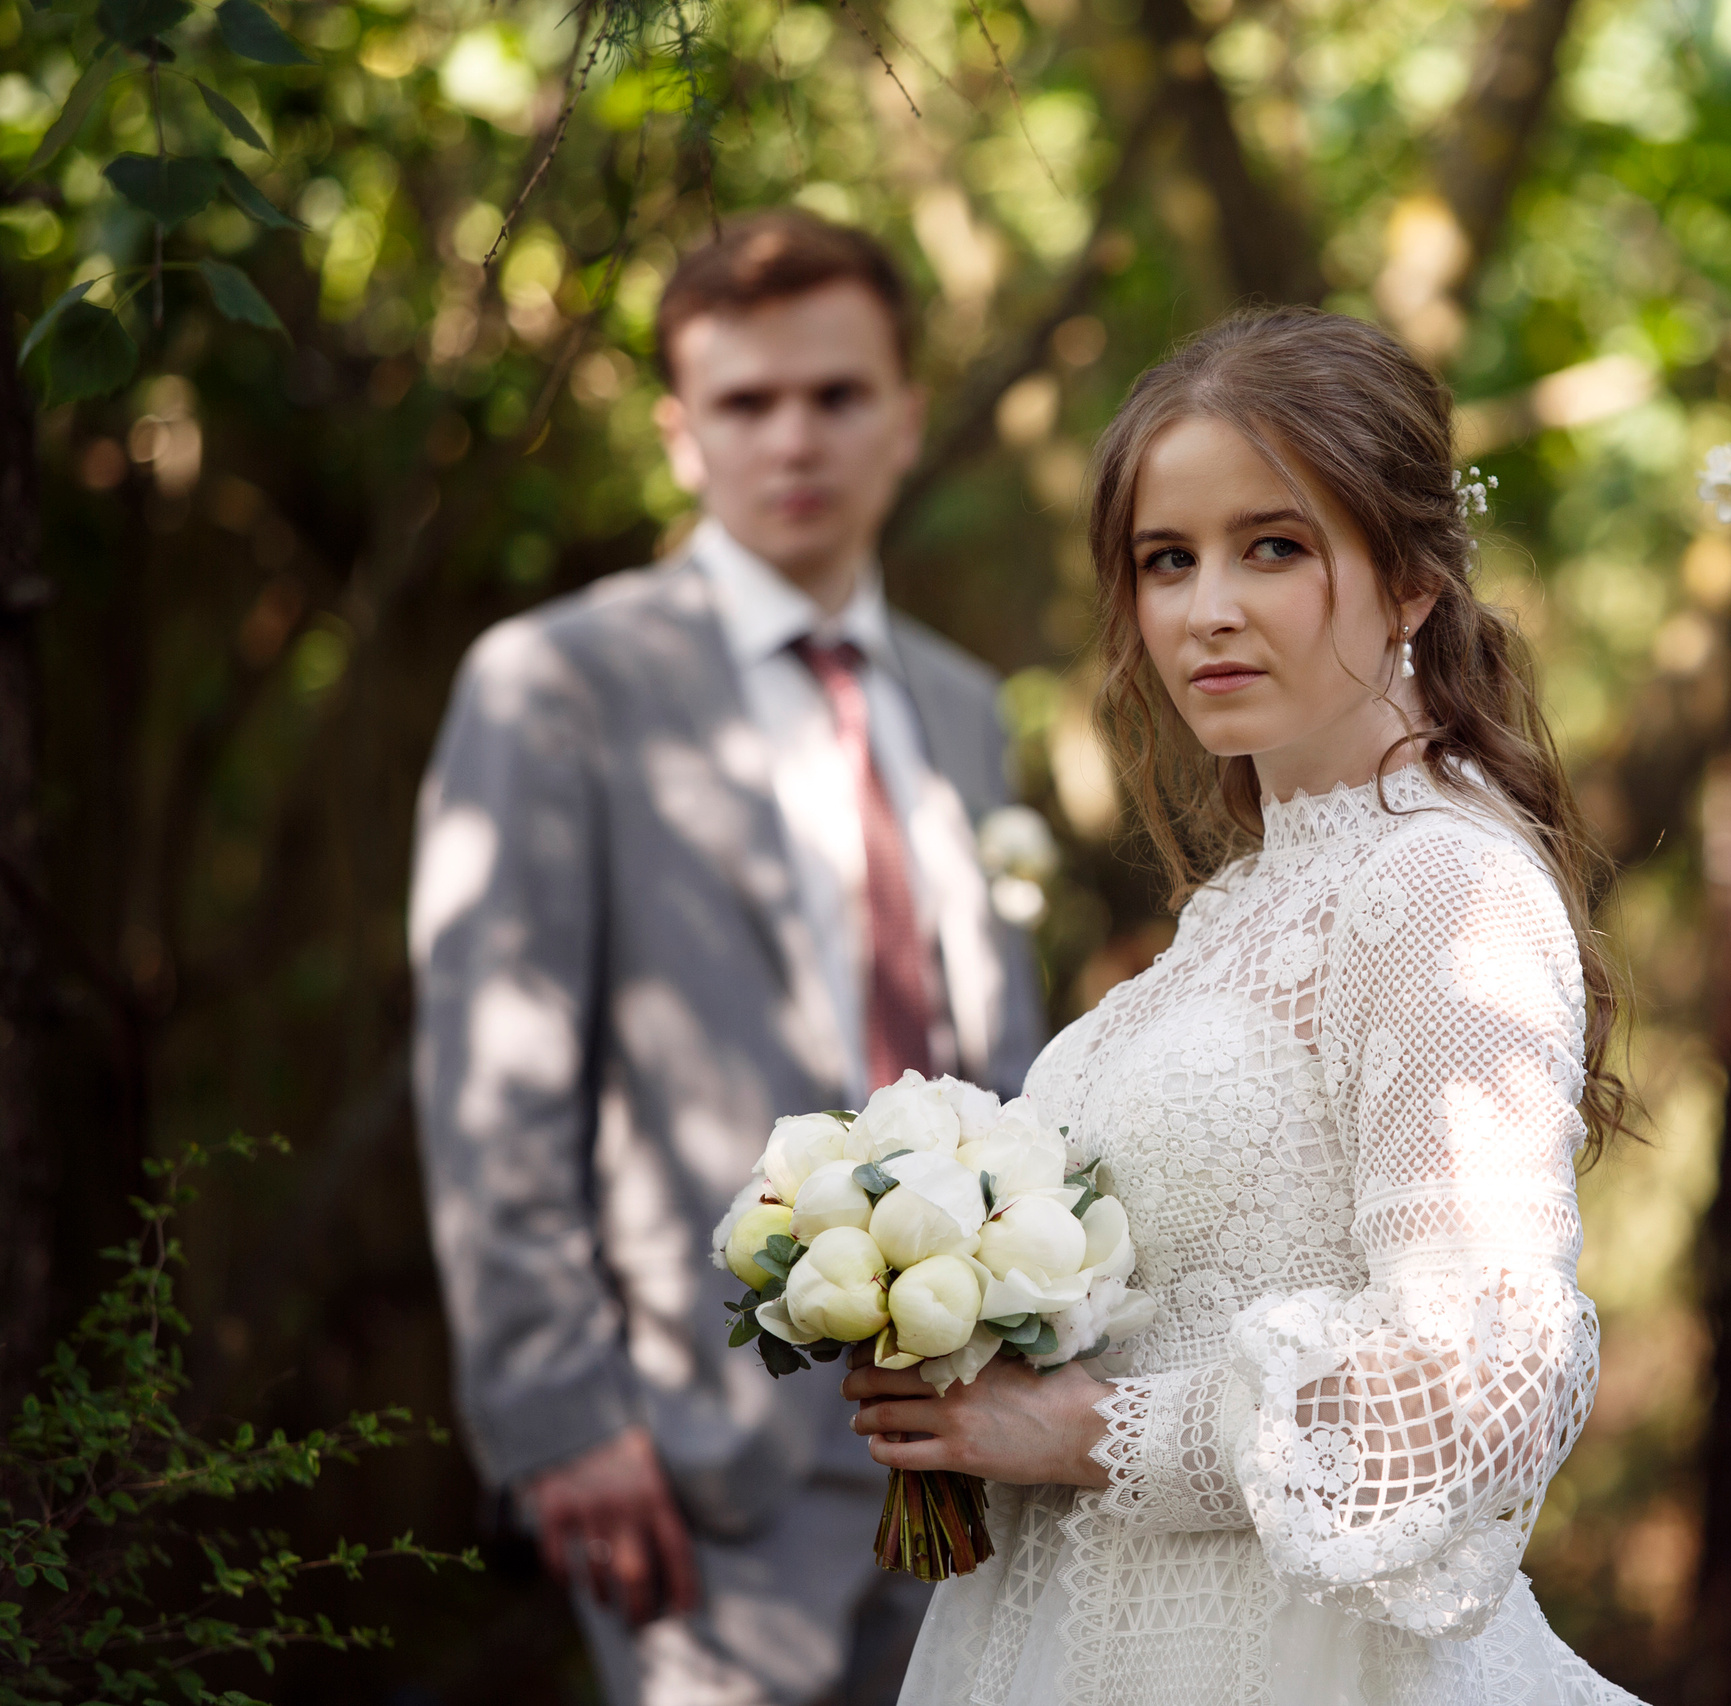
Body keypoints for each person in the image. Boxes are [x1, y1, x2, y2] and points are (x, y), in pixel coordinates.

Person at [839, 307, 1643, 1706]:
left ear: (1409, 581)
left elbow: (1487, 1377)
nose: (1207, 606)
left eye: (1273, 545)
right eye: (1169, 559)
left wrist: (1086, 1428)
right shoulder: (1246, 905)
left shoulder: (1439, 885)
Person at [411, 209, 1046, 1706]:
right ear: (681, 432)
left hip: (975, 1447)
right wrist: (559, 1414)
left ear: (905, 412)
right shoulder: (558, 684)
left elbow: (998, 1060)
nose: (794, 441)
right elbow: (492, 1081)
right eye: (747, 403)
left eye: (835, 395)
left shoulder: (962, 709)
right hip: (699, 1463)